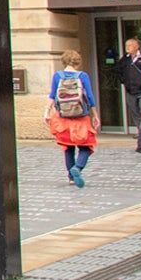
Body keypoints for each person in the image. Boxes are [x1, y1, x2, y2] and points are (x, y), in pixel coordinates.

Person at [45, 49, 100, 187]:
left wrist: (47, 111)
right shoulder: (83, 75)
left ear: (63, 61)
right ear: (77, 62)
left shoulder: (57, 76)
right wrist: (95, 115)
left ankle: (70, 177)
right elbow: (90, 96)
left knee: (68, 148)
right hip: (81, 117)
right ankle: (78, 167)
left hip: (63, 118)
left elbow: (52, 95)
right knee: (86, 146)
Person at [120, 37, 141, 147]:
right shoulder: (124, 59)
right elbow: (119, 71)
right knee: (135, 112)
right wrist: (124, 82)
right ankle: (140, 132)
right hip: (130, 91)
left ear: (137, 46)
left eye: (130, 45)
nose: (127, 47)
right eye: (126, 45)